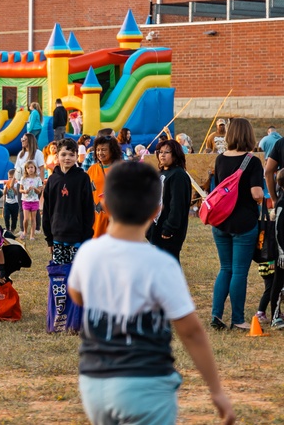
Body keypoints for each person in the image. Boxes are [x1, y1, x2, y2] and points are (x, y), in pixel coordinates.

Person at [69, 161, 235, 425]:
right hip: (145, 383)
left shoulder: (88, 253)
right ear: (156, 210)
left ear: (106, 206)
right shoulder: (161, 264)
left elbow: (77, 295)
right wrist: (216, 390)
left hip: (94, 383)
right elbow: (191, 331)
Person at [209, 117, 262, 331]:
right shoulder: (253, 161)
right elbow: (256, 193)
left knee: (225, 268)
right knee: (240, 271)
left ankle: (216, 314)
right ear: (248, 135)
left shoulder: (220, 159)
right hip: (244, 222)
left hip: (220, 221)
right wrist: (259, 199)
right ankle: (238, 319)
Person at [42, 138, 94, 265]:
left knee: (78, 276)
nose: (67, 158)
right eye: (63, 154)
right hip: (58, 236)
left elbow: (88, 208)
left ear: (77, 156)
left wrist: (87, 236)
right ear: (57, 156)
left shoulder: (83, 178)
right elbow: (47, 209)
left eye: (71, 154)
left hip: (78, 236)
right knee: (60, 276)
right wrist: (49, 238)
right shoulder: (52, 179)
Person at [149, 139, 192, 262]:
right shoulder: (162, 173)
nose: (162, 155)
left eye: (166, 152)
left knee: (169, 265)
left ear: (175, 154)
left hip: (168, 231)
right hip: (156, 228)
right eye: (160, 152)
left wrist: (169, 227)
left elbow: (177, 205)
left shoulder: (178, 175)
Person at [262, 136, 284, 328]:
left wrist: (275, 198)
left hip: (283, 205)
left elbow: (268, 171)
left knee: (281, 266)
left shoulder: (281, 143)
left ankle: (276, 314)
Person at [86, 135, 121, 239]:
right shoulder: (92, 169)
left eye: (104, 150)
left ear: (112, 150)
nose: (100, 153)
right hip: (95, 216)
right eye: (98, 150)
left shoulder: (122, 168)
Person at [18, 160, 43, 241]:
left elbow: (39, 191)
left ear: (35, 168)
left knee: (33, 219)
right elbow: (20, 190)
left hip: (35, 201)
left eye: (32, 167)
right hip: (26, 200)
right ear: (26, 169)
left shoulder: (38, 179)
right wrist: (25, 191)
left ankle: (32, 235)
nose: (30, 169)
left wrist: (34, 188)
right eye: (28, 168)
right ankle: (25, 232)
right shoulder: (23, 178)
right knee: (26, 219)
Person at [2, 168, 20, 235]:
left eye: (12, 178)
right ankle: (7, 228)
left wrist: (12, 187)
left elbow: (16, 193)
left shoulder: (17, 184)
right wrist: (6, 188)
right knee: (6, 216)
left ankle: (13, 228)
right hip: (8, 203)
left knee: (14, 217)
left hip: (15, 203)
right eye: (9, 177)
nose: (10, 179)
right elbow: (4, 193)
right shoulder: (6, 184)